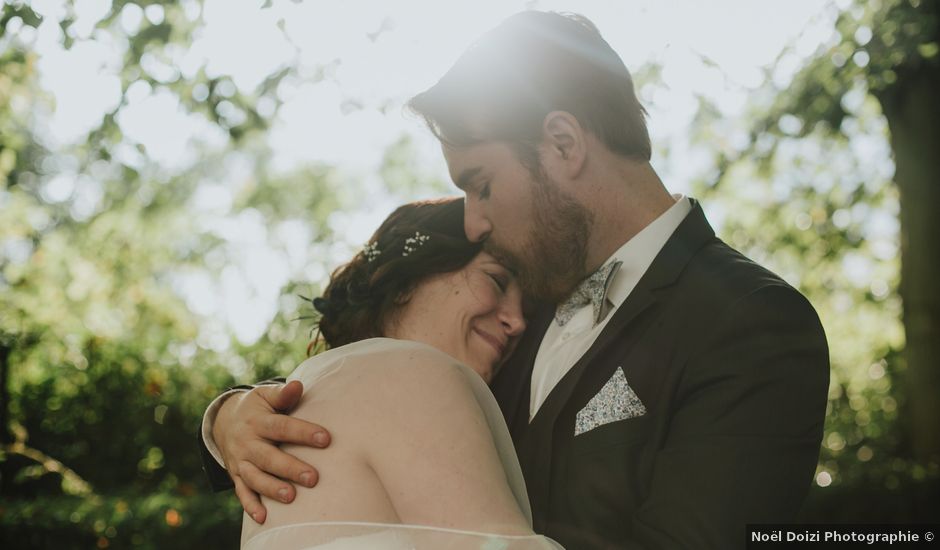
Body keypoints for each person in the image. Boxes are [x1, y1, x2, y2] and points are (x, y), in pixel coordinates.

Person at [199, 11, 830, 549]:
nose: (473, 223)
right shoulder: (511, 314)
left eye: (481, 185)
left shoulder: (752, 321)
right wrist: (230, 419)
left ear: (562, 143)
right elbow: (380, 406)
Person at [237, 197, 562, 549]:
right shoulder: (416, 374)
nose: (518, 321)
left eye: (526, 307)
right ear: (409, 279)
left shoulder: (314, 394)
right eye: (496, 281)